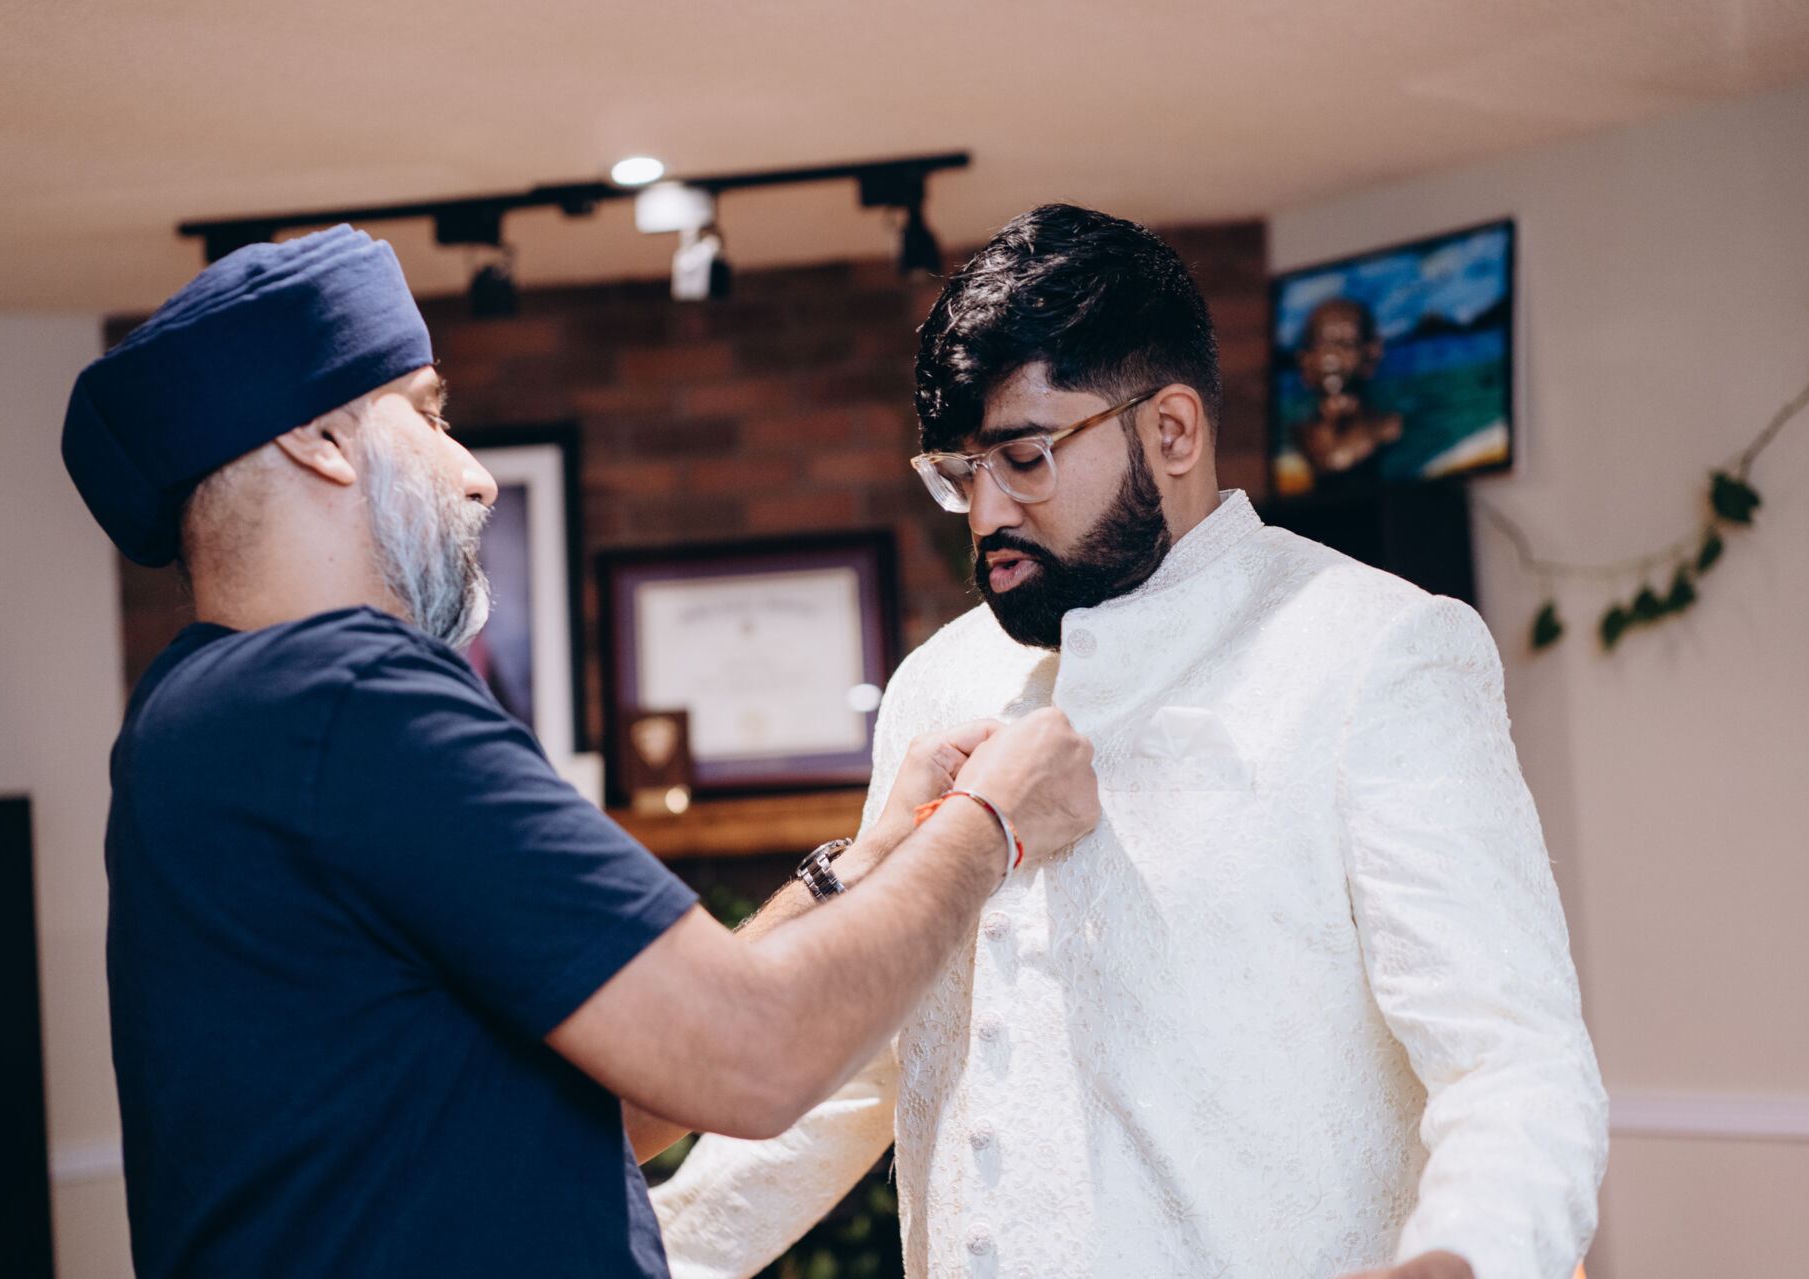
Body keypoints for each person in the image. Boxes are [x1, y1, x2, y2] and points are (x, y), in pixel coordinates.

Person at [60, 225, 1101, 1279]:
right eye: (427, 413)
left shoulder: (188, 721)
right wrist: (991, 823)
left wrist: (867, 860)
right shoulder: (352, 697)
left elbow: (623, 1095)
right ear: (324, 440)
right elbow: (754, 1053)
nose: (476, 478)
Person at [652, 205, 1608, 1279]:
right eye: (959, 472)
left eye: (1024, 457)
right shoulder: (939, 682)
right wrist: (656, 1256)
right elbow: (864, 1059)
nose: (985, 514)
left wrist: (1466, 1260)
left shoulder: (1374, 651)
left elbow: (1512, 1065)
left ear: (1173, 431)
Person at [1293, 295, 1404, 481]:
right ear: (1305, 360)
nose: (1331, 355)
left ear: (1371, 354)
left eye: (1346, 343)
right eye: (1321, 343)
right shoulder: (1295, 436)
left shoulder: (1390, 428)